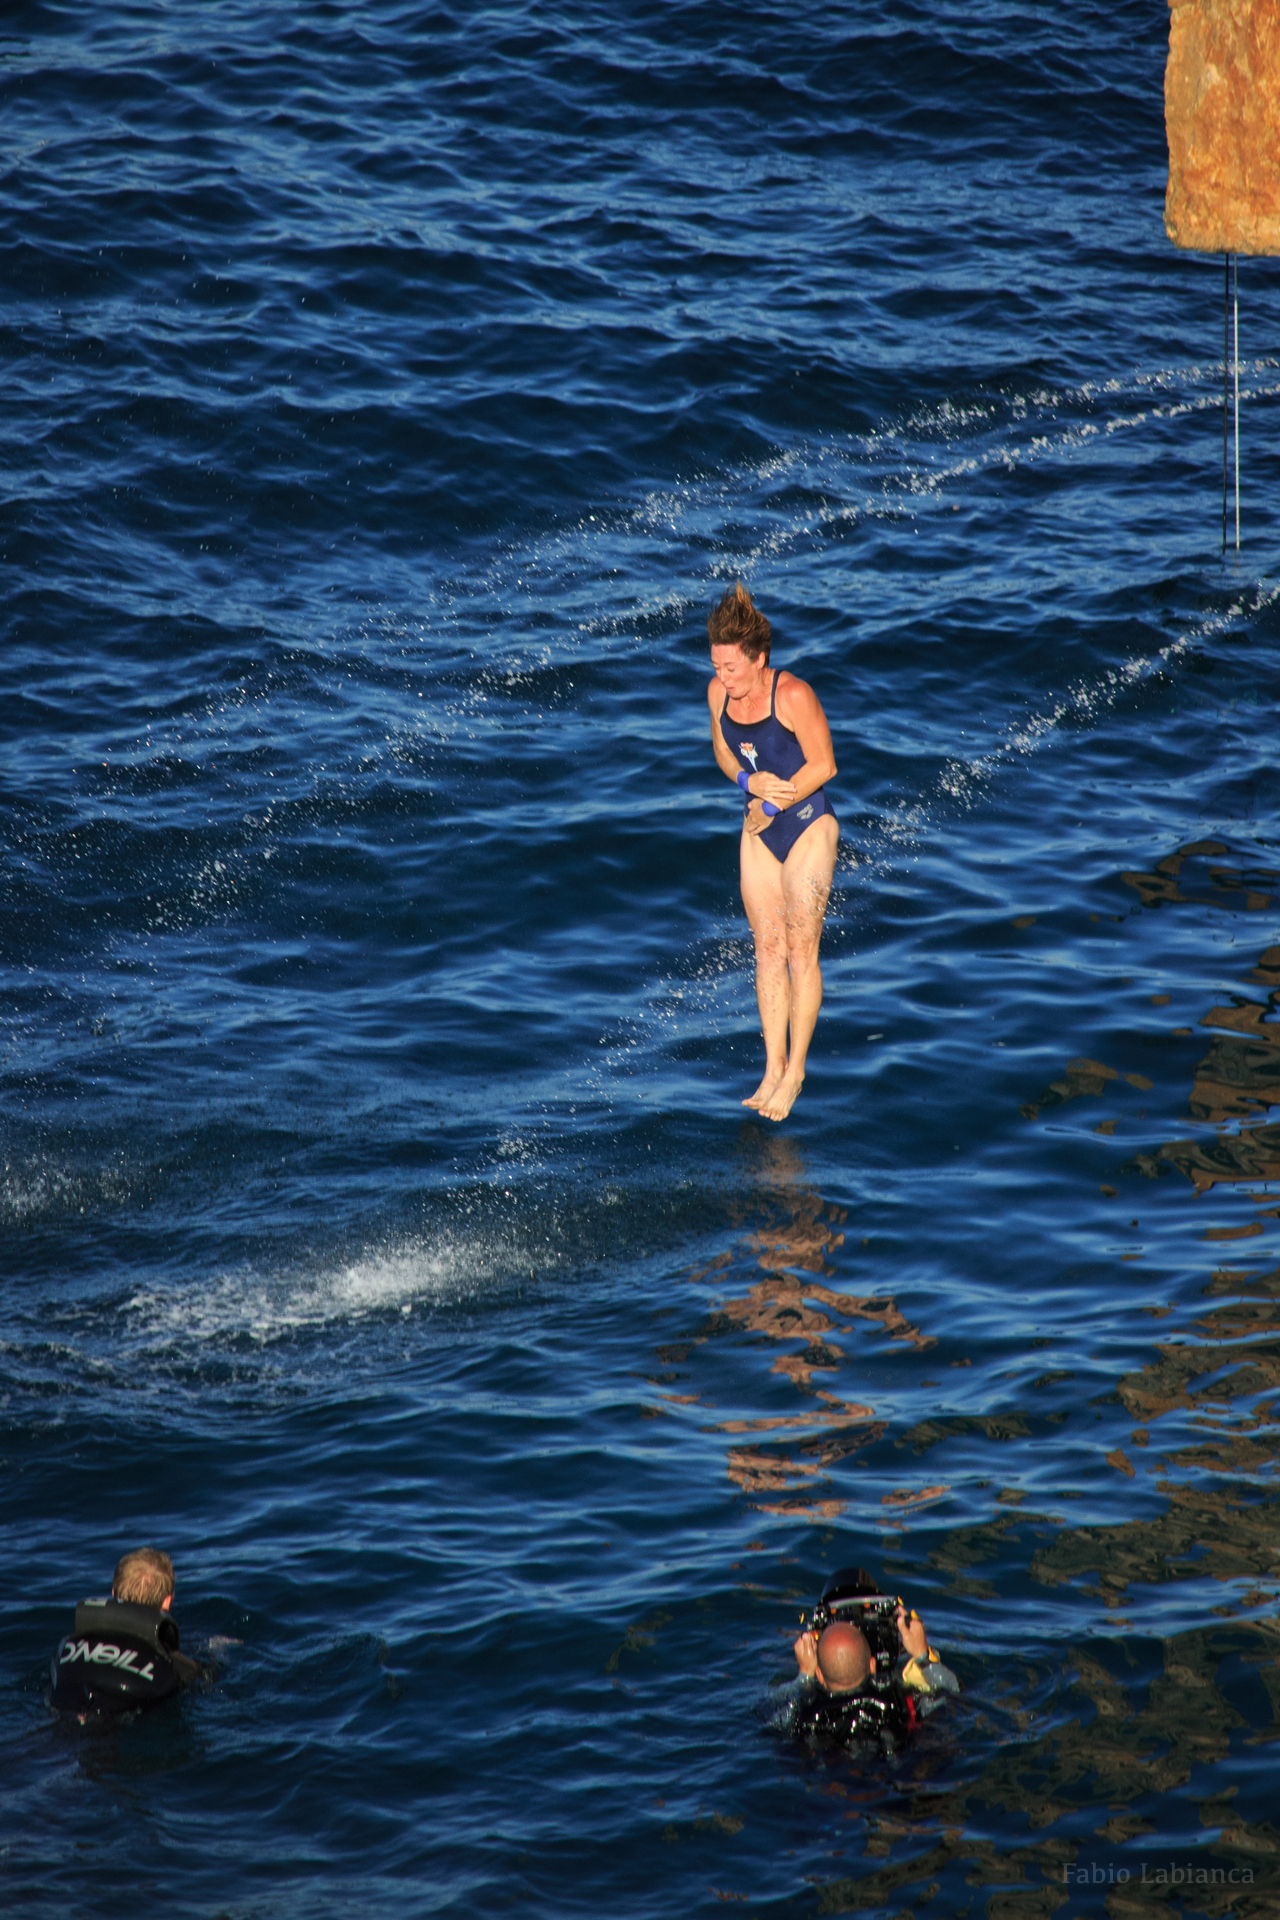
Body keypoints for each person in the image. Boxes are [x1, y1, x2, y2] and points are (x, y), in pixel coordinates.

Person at [706, 583, 838, 1121]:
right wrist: (746, 780)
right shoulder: (718, 694)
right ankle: (771, 1066)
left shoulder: (793, 695)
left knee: (801, 949)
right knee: (767, 949)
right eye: (716, 666)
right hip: (758, 824)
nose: (723, 678)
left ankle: (798, 1070)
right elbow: (720, 746)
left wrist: (774, 804)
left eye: (732, 669)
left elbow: (824, 765)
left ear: (760, 659)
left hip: (806, 823)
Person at [787, 1566, 959, 1747]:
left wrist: (805, 1674)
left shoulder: (802, 1714)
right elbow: (952, 1698)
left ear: (819, 1674)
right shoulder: (905, 1703)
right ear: (872, 1665)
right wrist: (922, 1655)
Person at [48, 1547, 206, 1719]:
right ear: (167, 1602)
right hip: (120, 1720)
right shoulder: (174, 1666)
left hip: (65, 1710)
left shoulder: (69, 1645)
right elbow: (204, 1677)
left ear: (114, 1594)